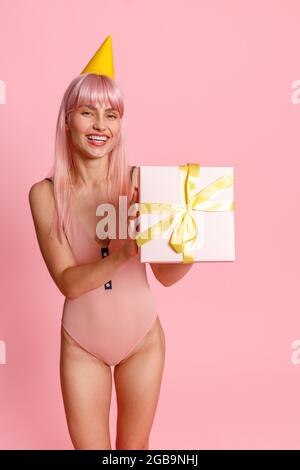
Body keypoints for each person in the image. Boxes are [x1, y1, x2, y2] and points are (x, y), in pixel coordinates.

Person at [29, 36, 193, 450]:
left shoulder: (141, 182)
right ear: (67, 121)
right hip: (83, 345)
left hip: (143, 340)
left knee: (133, 454)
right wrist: (125, 252)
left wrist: (188, 244)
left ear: (121, 124)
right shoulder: (44, 194)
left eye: (111, 115)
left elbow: (167, 276)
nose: (101, 126)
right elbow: (68, 281)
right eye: (88, 113)